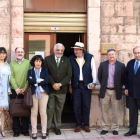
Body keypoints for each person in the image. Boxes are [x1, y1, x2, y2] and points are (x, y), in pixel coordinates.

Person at [69, 42, 97, 132]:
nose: (75, 51)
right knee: (76, 106)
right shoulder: (71, 58)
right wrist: (70, 85)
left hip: (87, 85)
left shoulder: (89, 57)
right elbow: (70, 73)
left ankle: (86, 125)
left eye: (76, 50)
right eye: (74, 49)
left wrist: (94, 83)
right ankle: (78, 125)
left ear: (81, 50)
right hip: (76, 85)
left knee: (86, 106)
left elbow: (94, 70)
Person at [45, 43, 72, 135]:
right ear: (54, 50)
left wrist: (60, 84)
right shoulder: (48, 59)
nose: (59, 52)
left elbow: (69, 75)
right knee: (49, 109)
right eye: (58, 50)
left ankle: (57, 127)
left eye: (61, 50)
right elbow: (46, 73)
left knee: (59, 109)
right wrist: (53, 83)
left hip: (62, 90)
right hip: (50, 89)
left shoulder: (67, 60)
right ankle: (47, 128)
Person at [98, 49, 125, 135]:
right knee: (104, 110)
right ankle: (105, 128)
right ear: (107, 56)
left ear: (116, 55)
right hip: (105, 90)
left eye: (113, 54)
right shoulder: (103, 65)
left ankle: (115, 128)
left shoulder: (121, 65)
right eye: (109, 54)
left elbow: (123, 78)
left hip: (116, 91)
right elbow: (100, 77)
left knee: (115, 111)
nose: (111, 56)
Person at [10, 47, 32, 137]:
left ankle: (25, 130)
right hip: (15, 91)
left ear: (24, 53)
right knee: (15, 111)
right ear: (15, 53)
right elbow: (11, 77)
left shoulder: (28, 63)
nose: (19, 53)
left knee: (25, 111)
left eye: (21, 52)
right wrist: (16, 89)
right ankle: (16, 130)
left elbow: (30, 75)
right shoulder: (11, 64)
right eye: (18, 52)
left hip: (25, 91)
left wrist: (24, 88)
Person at [28, 55, 50, 139]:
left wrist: (35, 81)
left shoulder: (45, 71)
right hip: (34, 93)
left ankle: (44, 132)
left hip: (43, 93)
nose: (38, 63)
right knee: (34, 112)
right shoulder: (30, 71)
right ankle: (34, 132)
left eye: (39, 61)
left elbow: (46, 81)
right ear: (33, 62)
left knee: (43, 112)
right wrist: (40, 80)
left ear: (42, 62)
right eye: (36, 61)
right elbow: (30, 81)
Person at [124, 46, 140, 136]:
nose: (137, 55)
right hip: (131, 92)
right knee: (132, 112)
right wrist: (126, 88)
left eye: (139, 53)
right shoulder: (130, 63)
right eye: (135, 53)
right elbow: (126, 77)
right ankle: (132, 130)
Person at [0, 47, 11, 138]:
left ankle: (2, 130)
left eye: (3, 53)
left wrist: (8, 90)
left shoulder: (7, 65)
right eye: (0, 53)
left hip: (4, 92)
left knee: (3, 111)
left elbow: (8, 80)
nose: (2, 55)